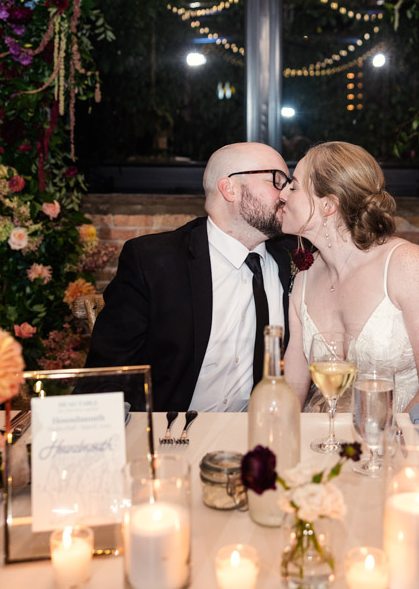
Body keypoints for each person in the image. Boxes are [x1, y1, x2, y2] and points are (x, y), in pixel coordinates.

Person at [82, 142, 295, 412]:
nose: (287, 193)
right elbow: (106, 376)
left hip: (263, 436)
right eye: (277, 180)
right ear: (229, 189)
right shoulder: (153, 262)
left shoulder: (294, 257)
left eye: (289, 183)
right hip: (174, 435)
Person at [279, 141, 419, 412]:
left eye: (293, 186)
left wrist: (386, 441)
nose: (282, 195)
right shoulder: (304, 277)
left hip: (405, 437)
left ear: (328, 204)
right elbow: (293, 387)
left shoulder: (408, 266)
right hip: (328, 437)